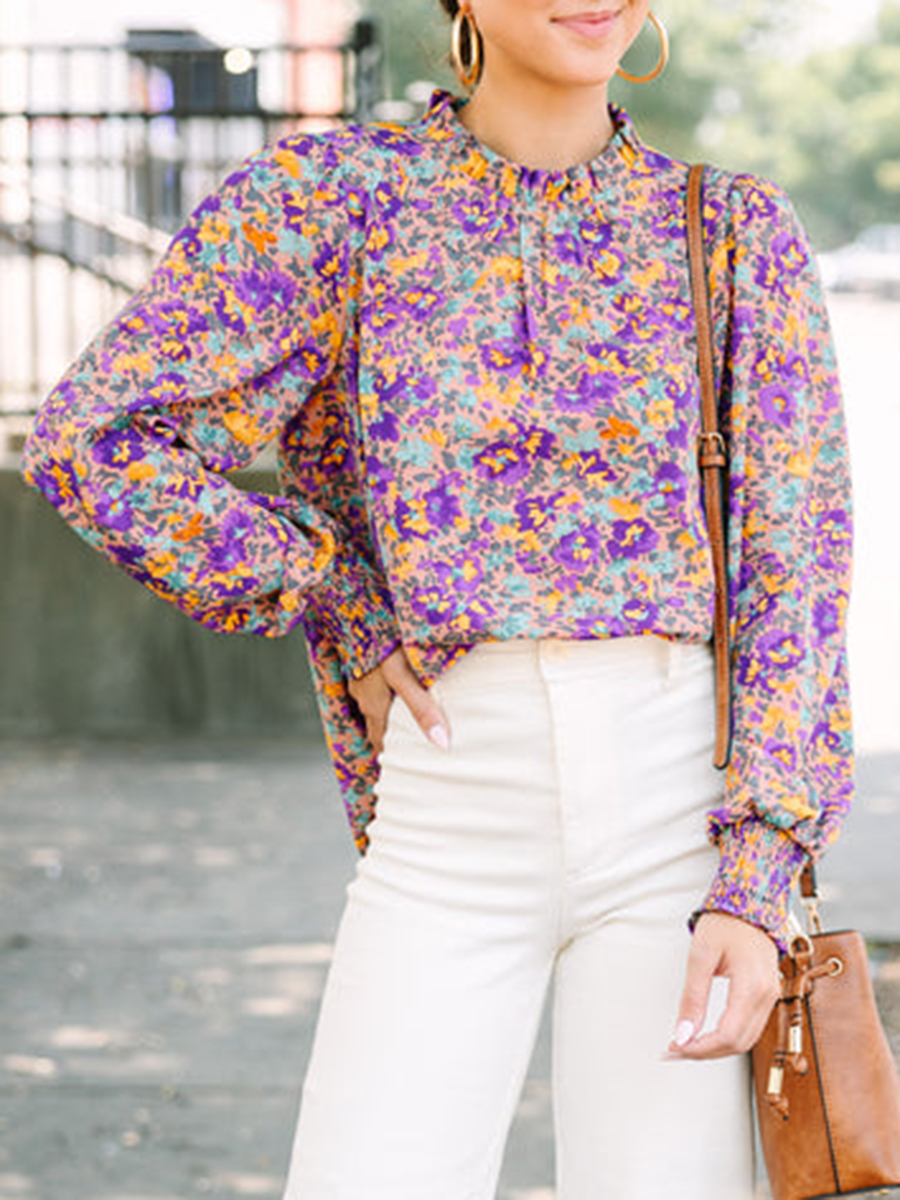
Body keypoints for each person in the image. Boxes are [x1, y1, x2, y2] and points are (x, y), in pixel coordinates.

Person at [21, 1, 855, 1196]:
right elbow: (96, 437)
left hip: (683, 817)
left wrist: (762, 871)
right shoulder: (333, 201)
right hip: (453, 800)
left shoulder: (730, 230)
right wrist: (332, 596)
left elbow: (798, 563)